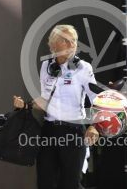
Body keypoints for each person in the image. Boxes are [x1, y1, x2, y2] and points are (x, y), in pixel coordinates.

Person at [13, 24, 99, 189]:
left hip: (73, 132)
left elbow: (96, 99)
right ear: (53, 45)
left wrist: (94, 126)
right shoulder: (46, 66)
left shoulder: (83, 68)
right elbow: (45, 100)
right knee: (45, 182)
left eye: (73, 40)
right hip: (49, 130)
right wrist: (24, 105)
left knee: (70, 184)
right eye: (66, 40)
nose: (71, 44)